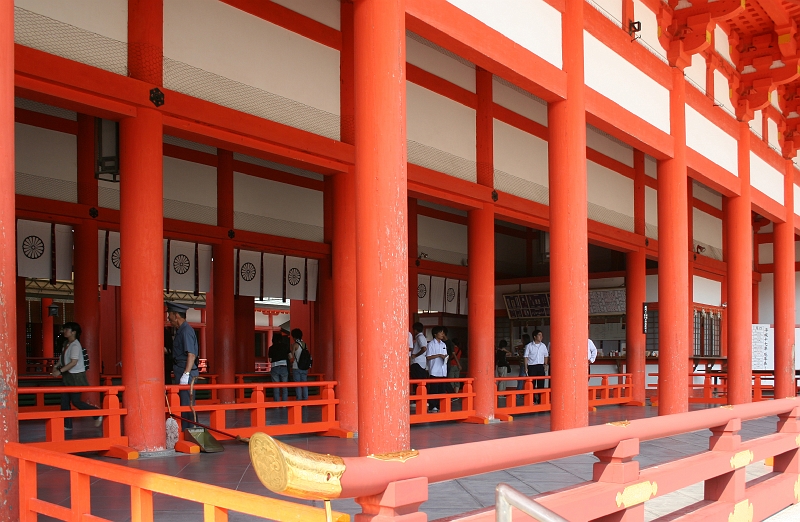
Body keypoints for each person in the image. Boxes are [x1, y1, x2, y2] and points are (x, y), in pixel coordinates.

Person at [51, 322, 102, 430]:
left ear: (73, 332)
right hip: (68, 376)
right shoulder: (67, 344)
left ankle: (97, 413)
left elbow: (73, 362)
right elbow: (62, 359)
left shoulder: (75, 345)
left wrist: (59, 371)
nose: (64, 331)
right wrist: (56, 366)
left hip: (75, 377)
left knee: (76, 401)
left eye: (67, 329)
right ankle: (67, 425)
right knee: (64, 401)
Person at [167, 302, 199, 430]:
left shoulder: (186, 331)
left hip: (187, 371)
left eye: (170, 315)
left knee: (187, 404)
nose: (169, 319)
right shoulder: (181, 330)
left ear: (176, 315)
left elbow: (191, 355)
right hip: (181, 369)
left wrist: (186, 374)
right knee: (184, 402)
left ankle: (189, 430)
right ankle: (188, 429)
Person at [426, 325, 448, 412]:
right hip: (435, 370)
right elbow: (428, 357)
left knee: (442, 389)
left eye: (443, 333)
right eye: (440, 332)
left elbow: (445, 354)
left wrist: (445, 357)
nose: (442, 334)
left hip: (442, 370)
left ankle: (440, 405)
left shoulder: (444, 344)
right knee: (434, 389)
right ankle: (432, 406)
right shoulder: (431, 344)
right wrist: (439, 355)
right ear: (435, 334)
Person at [523, 330, 549, 404]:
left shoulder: (543, 345)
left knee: (541, 384)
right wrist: (526, 367)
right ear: (535, 337)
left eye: (541, 335)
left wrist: (545, 364)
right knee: (532, 384)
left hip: (540, 366)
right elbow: (526, 357)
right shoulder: (529, 346)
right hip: (532, 367)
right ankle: (532, 400)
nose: (541, 337)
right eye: (539, 335)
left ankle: (541, 400)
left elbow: (546, 355)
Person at [269, 332, 290, 402]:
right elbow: (290, 356)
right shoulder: (285, 346)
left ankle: (277, 403)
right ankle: (284, 403)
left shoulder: (271, 348)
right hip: (284, 366)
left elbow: (270, 360)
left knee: (276, 386)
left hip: (275, 367)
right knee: (284, 386)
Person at [289, 328, 309, 401]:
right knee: (304, 383)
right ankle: (305, 399)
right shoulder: (305, 344)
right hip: (304, 367)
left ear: (294, 337)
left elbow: (291, 356)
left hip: (296, 367)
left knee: (298, 384)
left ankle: (299, 399)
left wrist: (291, 348)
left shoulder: (295, 345)